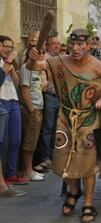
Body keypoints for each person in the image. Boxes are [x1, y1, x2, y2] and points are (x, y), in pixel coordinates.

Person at [28, 28, 101, 223]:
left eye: (81, 44)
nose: (76, 48)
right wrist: (32, 57)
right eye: (73, 44)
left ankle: (89, 202)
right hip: (64, 118)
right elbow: (35, 66)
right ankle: (74, 192)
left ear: (89, 45)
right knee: (63, 159)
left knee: (88, 163)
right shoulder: (59, 62)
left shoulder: (99, 67)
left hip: (89, 119)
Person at [0, 35, 28, 185]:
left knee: (16, 140)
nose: (9, 49)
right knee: (2, 141)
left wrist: (11, 69)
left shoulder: (11, 64)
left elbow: (17, 83)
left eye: (11, 47)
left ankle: (11, 174)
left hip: (14, 101)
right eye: (6, 46)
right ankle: (2, 177)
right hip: (2, 102)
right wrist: (6, 64)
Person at [34, 35, 61, 172]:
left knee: (57, 127)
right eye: (53, 44)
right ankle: (45, 157)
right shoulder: (44, 59)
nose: (57, 46)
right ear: (47, 46)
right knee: (48, 127)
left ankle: (52, 156)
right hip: (50, 96)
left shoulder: (61, 59)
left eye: (58, 44)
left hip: (60, 97)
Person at [19, 46, 46, 182]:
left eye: (42, 53)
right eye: (37, 53)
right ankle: (27, 170)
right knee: (29, 141)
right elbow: (24, 90)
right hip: (32, 109)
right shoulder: (26, 68)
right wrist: (32, 110)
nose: (40, 55)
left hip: (38, 107)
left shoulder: (38, 69)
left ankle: (30, 169)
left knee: (34, 141)